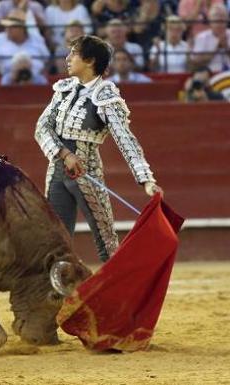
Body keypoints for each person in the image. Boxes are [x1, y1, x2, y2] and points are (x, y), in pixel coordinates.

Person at [34, 35, 162, 262]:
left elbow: (125, 138)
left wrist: (146, 179)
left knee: (106, 239)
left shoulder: (105, 94)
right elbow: (41, 128)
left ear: (90, 60)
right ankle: (58, 295)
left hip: (87, 170)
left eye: (74, 53)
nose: (68, 58)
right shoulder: (64, 89)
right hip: (57, 169)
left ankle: (118, 292)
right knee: (54, 240)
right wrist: (65, 154)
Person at [0, 16, 49, 82]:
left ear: (21, 28)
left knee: (43, 81)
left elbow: (47, 61)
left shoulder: (37, 39)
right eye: (6, 27)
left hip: (35, 78)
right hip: (9, 79)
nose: (7, 30)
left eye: (11, 27)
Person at [190, 4, 230, 73]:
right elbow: (195, 62)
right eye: (216, 15)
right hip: (209, 75)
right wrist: (215, 48)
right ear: (210, 19)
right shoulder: (201, 37)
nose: (219, 19)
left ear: (227, 19)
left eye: (222, 16)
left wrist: (226, 47)